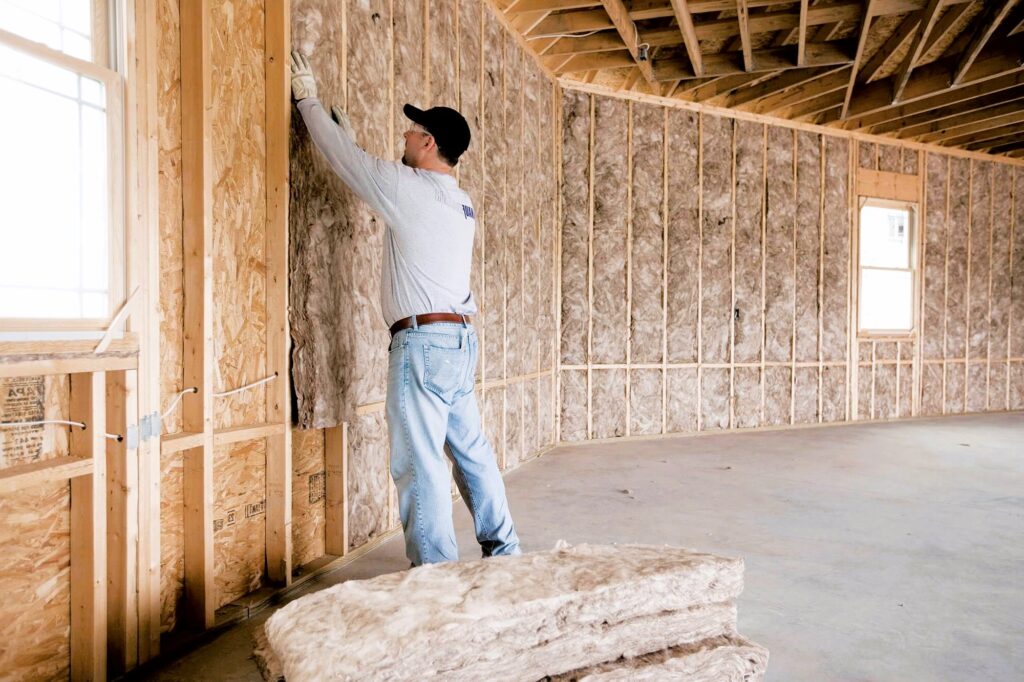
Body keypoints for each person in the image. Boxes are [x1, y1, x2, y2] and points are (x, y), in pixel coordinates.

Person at [289, 52, 520, 566]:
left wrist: (309, 103)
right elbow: (376, 172)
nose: (406, 137)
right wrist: (347, 138)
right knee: (471, 452)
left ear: (428, 142)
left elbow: (343, 160)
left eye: (413, 131)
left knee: (420, 462)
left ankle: (435, 574)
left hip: (423, 345)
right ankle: (505, 552)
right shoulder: (460, 202)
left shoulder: (405, 188)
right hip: (460, 343)